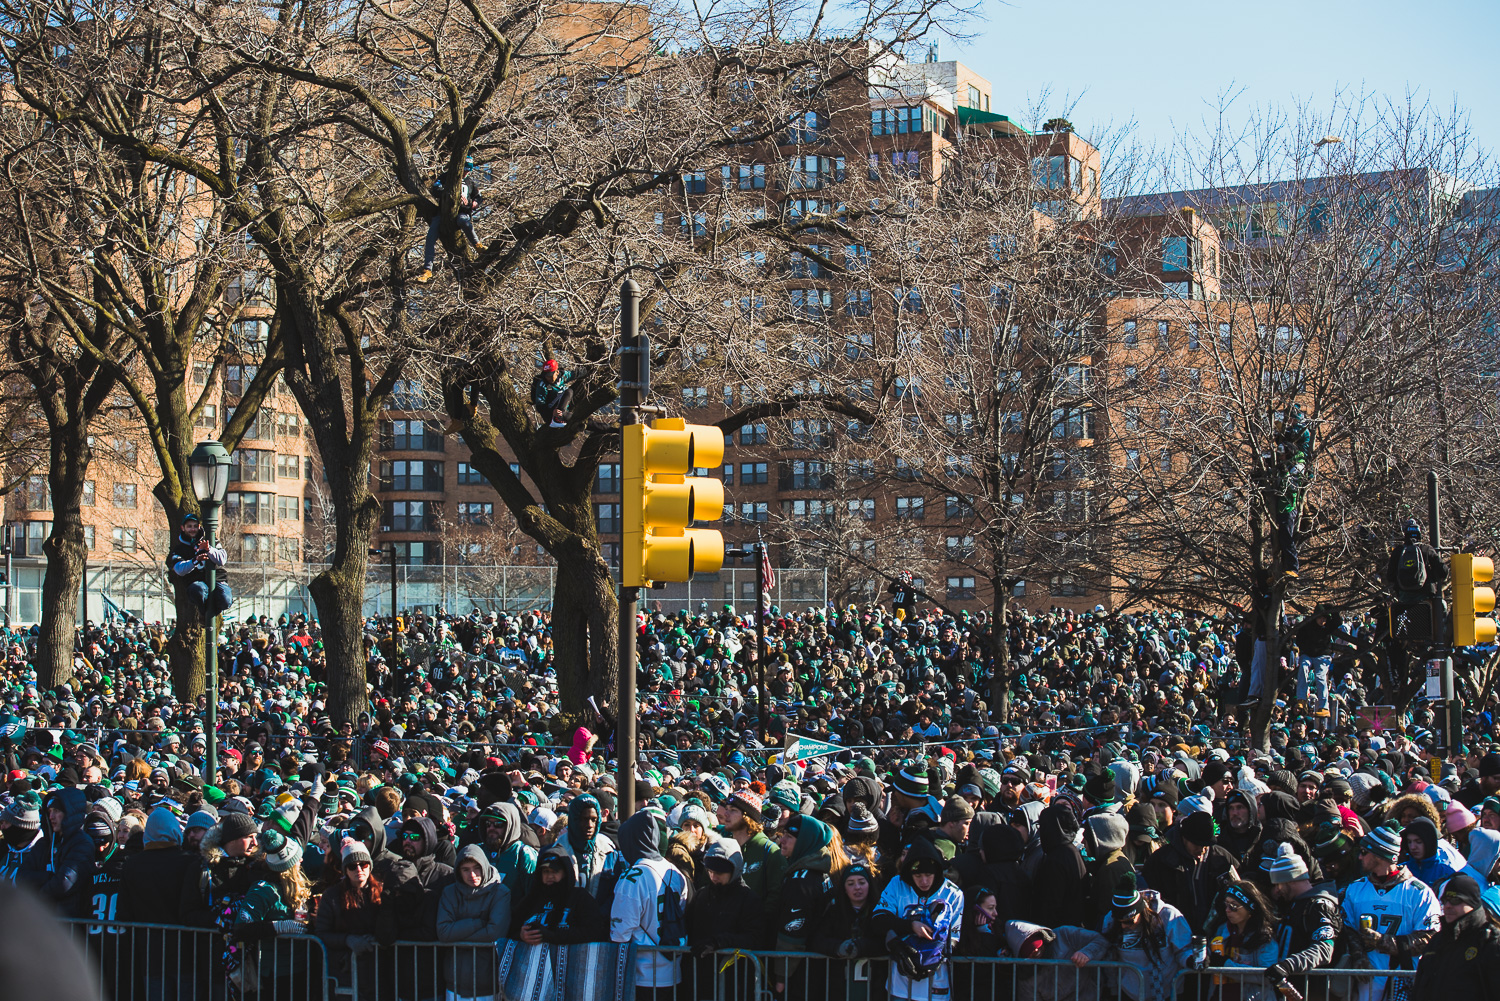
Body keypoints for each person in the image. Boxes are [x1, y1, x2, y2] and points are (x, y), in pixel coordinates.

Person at [1339, 823, 1441, 1001]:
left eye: (1364, 852)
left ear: (1380, 855)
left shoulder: (1418, 892)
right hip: (1367, 982)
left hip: (1404, 981)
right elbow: (1348, 930)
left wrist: (1384, 942)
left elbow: (1430, 937)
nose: (1360, 858)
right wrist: (1358, 957)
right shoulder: (1355, 889)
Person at [871, 837, 964, 1001]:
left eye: (929, 875)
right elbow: (878, 919)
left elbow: (954, 939)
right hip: (900, 985)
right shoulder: (897, 884)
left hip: (936, 985)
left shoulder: (953, 893)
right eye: (918, 875)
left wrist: (930, 956)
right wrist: (909, 927)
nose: (924, 881)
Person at [610, 811, 690, 998]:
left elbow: (620, 933)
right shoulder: (675, 872)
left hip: (641, 975)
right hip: (672, 971)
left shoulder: (633, 877)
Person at [314, 840, 395, 1001]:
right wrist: (347, 940)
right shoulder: (332, 895)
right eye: (352, 866)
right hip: (344, 970)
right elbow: (321, 933)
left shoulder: (382, 892)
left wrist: (378, 938)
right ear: (345, 869)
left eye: (363, 864)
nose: (359, 869)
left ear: (370, 866)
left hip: (377, 969)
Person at [687, 839, 763, 1001]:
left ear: (734, 870)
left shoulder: (749, 899)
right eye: (710, 871)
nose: (713, 876)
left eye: (719, 873)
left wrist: (719, 942)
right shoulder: (701, 895)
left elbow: (754, 938)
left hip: (735, 982)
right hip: (701, 980)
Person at [1101, 874, 1194, 1001]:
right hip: (1130, 993)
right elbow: (1108, 953)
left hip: (1168, 993)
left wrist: (1191, 959)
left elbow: (1183, 949)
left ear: (1141, 911)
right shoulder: (1110, 920)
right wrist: (1113, 990)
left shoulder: (1169, 916)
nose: (1123, 926)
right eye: (1120, 921)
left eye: (1128, 921)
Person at [436, 846, 511, 1001]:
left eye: (476, 868)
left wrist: (457, 935)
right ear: (458, 871)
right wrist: (478, 923)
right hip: (454, 983)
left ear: (484, 866)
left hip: (487, 983)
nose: (472, 874)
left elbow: (495, 934)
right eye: (465, 869)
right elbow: (443, 932)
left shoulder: (500, 892)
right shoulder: (449, 892)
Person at [1410, 873, 1500, 1000]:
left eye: (1455, 900)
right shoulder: (1437, 942)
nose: (1448, 906)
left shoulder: (1489, 941)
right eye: (1445, 901)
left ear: (1472, 903)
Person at [510, 845, 608, 944]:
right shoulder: (531, 899)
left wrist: (552, 937)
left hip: (569, 957)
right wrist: (521, 936)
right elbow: (510, 930)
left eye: (555, 871)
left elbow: (594, 931)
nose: (549, 876)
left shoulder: (580, 898)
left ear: (565, 872)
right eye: (546, 871)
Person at [1205, 881, 1280, 1001]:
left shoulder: (1264, 937)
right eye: (1226, 904)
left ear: (1250, 909)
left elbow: (1267, 976)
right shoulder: (1222, 929)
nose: (1228, 910)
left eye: (1234, 906)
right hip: (1220, 995)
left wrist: (1226, 965)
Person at [415, 155, 485, 282]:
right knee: (430, 237)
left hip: (462, 213)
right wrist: (452, 195)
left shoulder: (470, 183)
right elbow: (435, 189)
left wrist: (472, 203)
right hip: (443, 213)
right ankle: (427, 270)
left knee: (465, 222)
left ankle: (477, 244)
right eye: (465, 169)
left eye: (469, 170)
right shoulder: (446, 177)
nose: (466, 172)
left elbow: (478, 198)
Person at [167, 513, 231, 616]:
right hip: (196, 582)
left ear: (199, 527)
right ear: (183, 528)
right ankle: (204, 615)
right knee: (198, 590)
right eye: (189, 526)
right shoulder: (179, 549)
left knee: (226, 600)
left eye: (195, 526)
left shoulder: (211, 540)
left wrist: (209, 549)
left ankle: (213, 615)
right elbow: (179, 570)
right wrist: (195, 560)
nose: (193, 529)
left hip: (218, 579)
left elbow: (222, 560)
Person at [530, 360, 574, 429]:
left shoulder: (563, 376)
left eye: (550, 376)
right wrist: (552, 412)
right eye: (546, 375)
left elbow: (575, 374)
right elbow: (540, 406)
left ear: (557, 372)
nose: (548, 378)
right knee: (568, 391)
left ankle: (560, 415)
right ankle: (556, 419)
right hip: (550, 412)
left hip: (562, 410)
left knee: (579, 419)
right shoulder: (542, 385)